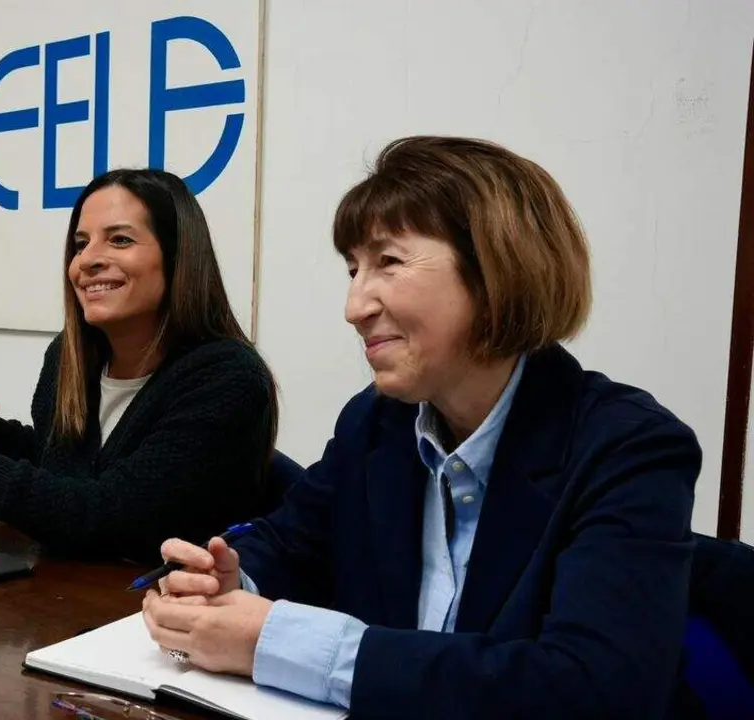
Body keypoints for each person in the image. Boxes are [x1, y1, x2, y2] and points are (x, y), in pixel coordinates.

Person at [142, 136, 701, 718]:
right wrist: (227, 578)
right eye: (353, 270)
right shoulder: (376, 422)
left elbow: (593, 691)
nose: (354, 306)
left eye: (388, 262)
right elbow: (289, 541)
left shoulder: (629, 448)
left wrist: (283, 644)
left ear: (497, 269)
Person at [0, 168, 279, 563]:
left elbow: (106, 518)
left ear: (179, 257)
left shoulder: (228, 378)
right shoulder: (70, 356)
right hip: (64, 598)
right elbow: (58, 470)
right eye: (81, 244)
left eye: (120, 239)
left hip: (160, 622)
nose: (88, 260)